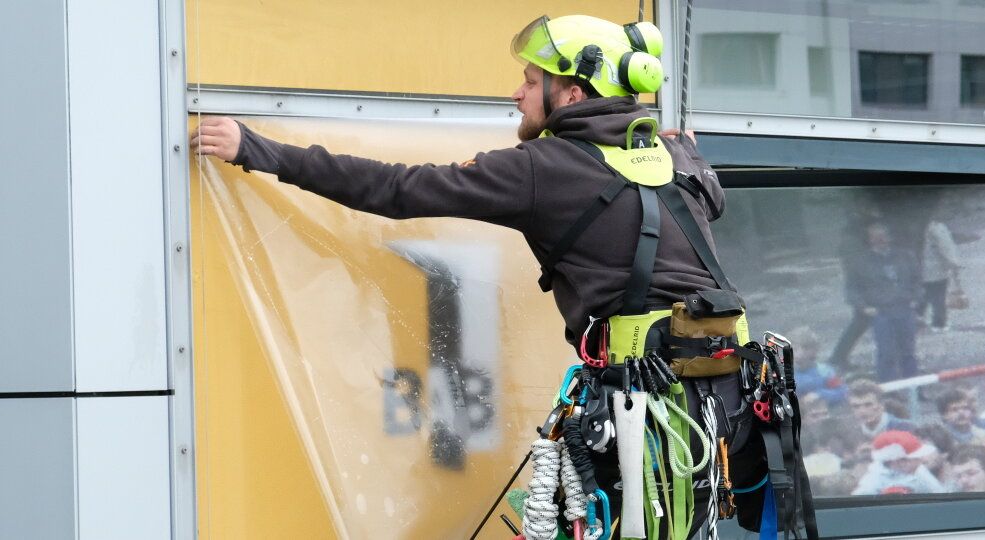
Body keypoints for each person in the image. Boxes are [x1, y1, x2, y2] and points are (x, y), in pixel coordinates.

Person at [191, 14, 804, 538]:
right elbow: (708, 199)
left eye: (532, 80)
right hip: (724, 403)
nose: (516, 93)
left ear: (571, 94)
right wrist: (686, 150)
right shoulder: (678, 158)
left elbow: (397, 189)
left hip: (642, 412)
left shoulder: (542, 168)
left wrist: (256, 148)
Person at [845, 223, 922, 380]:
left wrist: (916, 298)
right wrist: (864, 307)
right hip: (881, 312)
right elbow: (852, 289)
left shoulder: (905, 256)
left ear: (889, 237)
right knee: (886, 353)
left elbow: (917, 280)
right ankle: (888, 391)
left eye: (883, 236)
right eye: (875, 238)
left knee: (908, 352)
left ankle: (915, 390)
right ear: (870, 240)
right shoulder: (861, 262)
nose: (880, 241)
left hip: (904, 309)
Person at [851, 430, 947, 495]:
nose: (921, 460)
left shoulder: (918, 470)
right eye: (915, 457)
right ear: (899, 462)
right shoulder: (872, 482)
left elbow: (939, 494)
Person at [919, 217, 960, 332]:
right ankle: (939, 323)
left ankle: (917, 318)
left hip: (917, 269)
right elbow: (946, 247)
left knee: (922, 295)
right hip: (935, 269)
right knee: (938, 297)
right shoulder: (936, 227)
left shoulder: (914, 227)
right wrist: (953, 263)